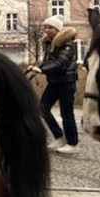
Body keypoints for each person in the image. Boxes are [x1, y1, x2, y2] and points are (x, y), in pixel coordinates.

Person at [30, 15, 79, 156]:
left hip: (66, 82)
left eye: (50, 27)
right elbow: (48, 61)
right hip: (55, 82)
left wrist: (42, 69)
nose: (47, 30)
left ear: (57, 29)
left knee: (66, 113)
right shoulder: (48, 43)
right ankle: (59, 137)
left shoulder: (67, 43)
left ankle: (73, 143)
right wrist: (36, 67)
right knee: (42, 108)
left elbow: (60, 62)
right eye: (45, 27)